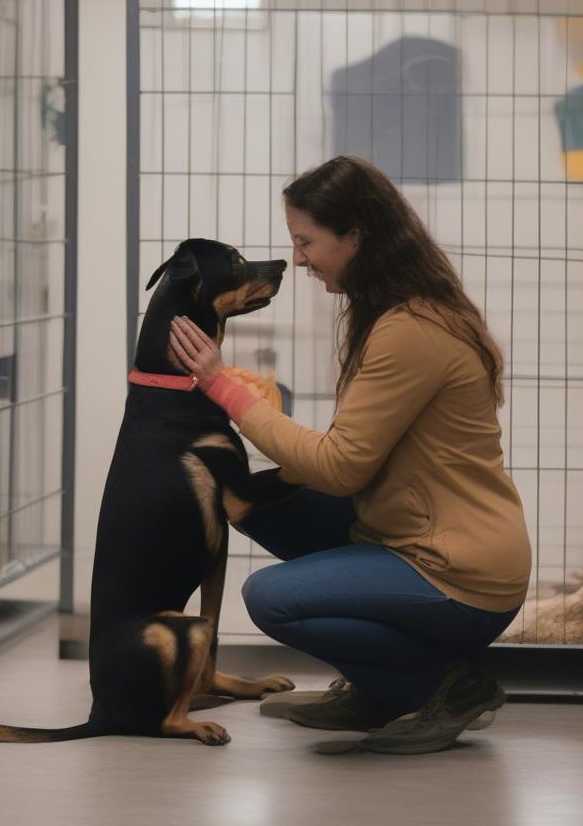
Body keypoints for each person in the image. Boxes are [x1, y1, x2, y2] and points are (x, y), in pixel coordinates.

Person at [168, 155, 531, 754]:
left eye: (307, 242)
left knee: (271, 596)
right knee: (255, 502)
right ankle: (379, 689)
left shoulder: (411, 328)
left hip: (458, 571)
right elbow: (352, 456)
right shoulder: (391, 311)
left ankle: (445, 685)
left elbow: (341, 467)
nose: (300, 258)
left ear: (357, 236)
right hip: (411, 530)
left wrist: (223, 388)